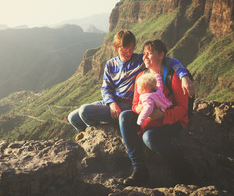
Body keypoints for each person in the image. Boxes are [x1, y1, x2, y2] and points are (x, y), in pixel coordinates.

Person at [67, 29, 195, 141]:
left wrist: (183, 75)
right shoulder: (110, 64)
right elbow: (106, 88)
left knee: (85, 111)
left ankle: (96, 132)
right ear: (116, 48)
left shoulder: (140, 59)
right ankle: (86, 133)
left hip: (127, 104)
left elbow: (167, 60)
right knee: (72, 118)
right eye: (125, 50)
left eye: (132, 49)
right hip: (113, 102)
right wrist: (111, 104)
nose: (129, 52)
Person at [120, 39, 193, 186]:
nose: (145, 57)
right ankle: (139, 169)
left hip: (171, 119)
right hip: (148, 117)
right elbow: (135, 104)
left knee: (149, 138)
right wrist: (141, 109)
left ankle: (183, 168)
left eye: (149, 53)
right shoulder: (141, 77)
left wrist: (163, 115)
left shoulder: (172, 77)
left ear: (161, 55)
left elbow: (182, 108)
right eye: (144, 54)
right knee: (124, 117)